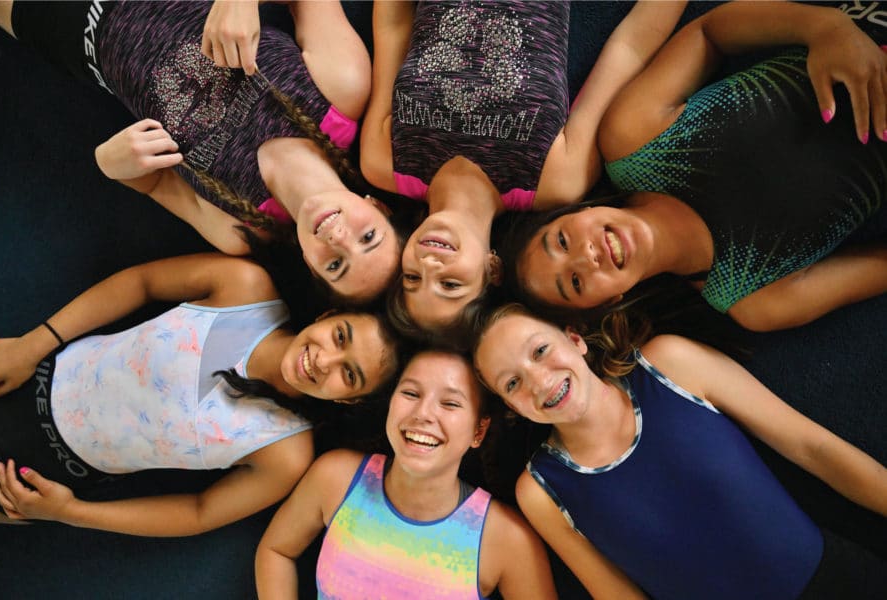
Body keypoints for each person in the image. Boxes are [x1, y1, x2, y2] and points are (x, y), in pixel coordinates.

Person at [505, 1, 887, 332]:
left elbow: (710, 32)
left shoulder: (631, 138)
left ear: (578, 211)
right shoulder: (757, 300)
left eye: (560, 240)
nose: (585, 256)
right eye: (574, 282)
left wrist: (823, 26)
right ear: (607, 303)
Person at [0, 0, 399, 302]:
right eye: (368, 237)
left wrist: (110, 163)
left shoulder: (237, 229)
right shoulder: (341, 91)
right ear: (378, 206)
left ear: (311, 266)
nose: (338, 238)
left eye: (335, 266)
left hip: (75, 33)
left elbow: (152, 184)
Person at [473, 303, 887, 599]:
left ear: (575, 339)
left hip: (841, 580)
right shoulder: (541, 489)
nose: (539, 382)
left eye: (540, 350)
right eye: (512, 383)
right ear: (511, 408)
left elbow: (813, 447)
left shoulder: (669, 365)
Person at [0, 253, 401, 536]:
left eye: (349, 374)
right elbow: (140, 283)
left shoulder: (286, 453)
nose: (324, 360)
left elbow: (198, 513)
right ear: (327, 315)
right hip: (27, 377)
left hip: (42, 475)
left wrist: (68, 513)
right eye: (339, 336)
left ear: (351, 400)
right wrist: (33, 344)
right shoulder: (244, 287)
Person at [361, 0, 689, 335]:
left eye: (412, 278)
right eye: (450, 284)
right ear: (492, 270)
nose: (430, 265)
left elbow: (393, 25)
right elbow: (628, 49)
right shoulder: (556, 180)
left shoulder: (382, 161)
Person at [255, 350, 557, 599]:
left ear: (478, 431)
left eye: (450, 403)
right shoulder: (335, 477)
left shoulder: (508, 539)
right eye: (411, 393)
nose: (423, 413)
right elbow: (276, 550)